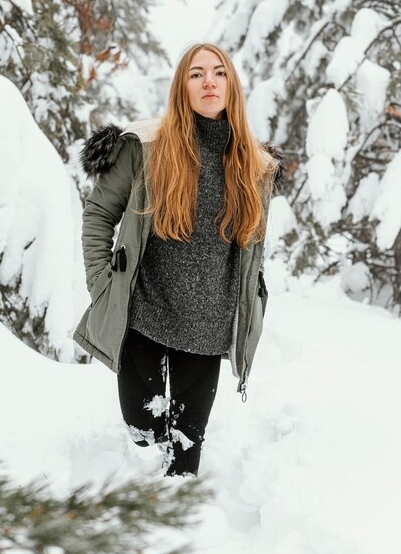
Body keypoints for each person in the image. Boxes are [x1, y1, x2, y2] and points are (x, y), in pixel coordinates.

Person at [73, 42, 285, 477]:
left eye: (219, 72)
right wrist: (102, 284)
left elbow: (253, 251)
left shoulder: (255, 166)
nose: (209, 80)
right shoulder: (145, 148)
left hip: (207, 329)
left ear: (232, 86)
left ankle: (181, 538)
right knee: (142, 433)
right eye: (196, 73)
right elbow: (98, 215)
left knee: (184, 460)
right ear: (181, 87)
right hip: (143, 317)